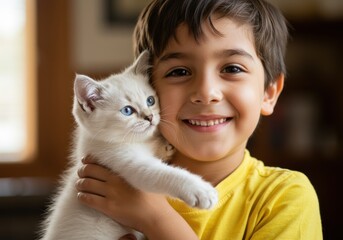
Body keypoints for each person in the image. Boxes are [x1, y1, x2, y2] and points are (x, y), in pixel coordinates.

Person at [75, 0, 323, 239]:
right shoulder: (110, 191)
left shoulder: (284, 197)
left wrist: (156, 219)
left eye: (232, 68)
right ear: (149, 87)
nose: (206, 93)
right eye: (179, 72)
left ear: (269, 93)